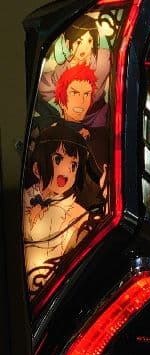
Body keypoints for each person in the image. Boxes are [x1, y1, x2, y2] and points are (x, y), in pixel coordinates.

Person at [22, 121, 105, 295]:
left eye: (73, 165)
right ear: (37, 167)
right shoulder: (23, 198)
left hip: (49, 294)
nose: (66, 171)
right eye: (58, 159)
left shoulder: (75, 213)